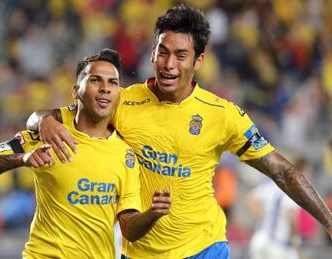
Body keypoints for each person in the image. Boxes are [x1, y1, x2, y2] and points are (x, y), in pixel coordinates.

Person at [27, 4, 332, 259]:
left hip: (204, 246)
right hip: (139, 251)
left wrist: (328, 221)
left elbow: (282, 172)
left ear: (199, 60)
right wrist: (44, 122)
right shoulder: (123, 101)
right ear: (152, 53)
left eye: (181, 55)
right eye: (162, 52)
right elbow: (44, 116)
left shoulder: (222, 115)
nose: (169, 64)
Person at [0, 49, 171, 258]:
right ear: (75, 90)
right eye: (95, 80)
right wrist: (22, 158)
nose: (105, 89)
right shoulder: (48, 135)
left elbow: (128, 229)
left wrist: (152, 214)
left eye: (112, 83)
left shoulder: (125, 155)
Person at [247, 178, 300, 259]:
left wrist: (261, 218)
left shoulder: (268, 185)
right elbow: (291, 214)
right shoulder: (289, 188)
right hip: (277, 243)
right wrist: (294, 236)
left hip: (260, 238)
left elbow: (252, 200)